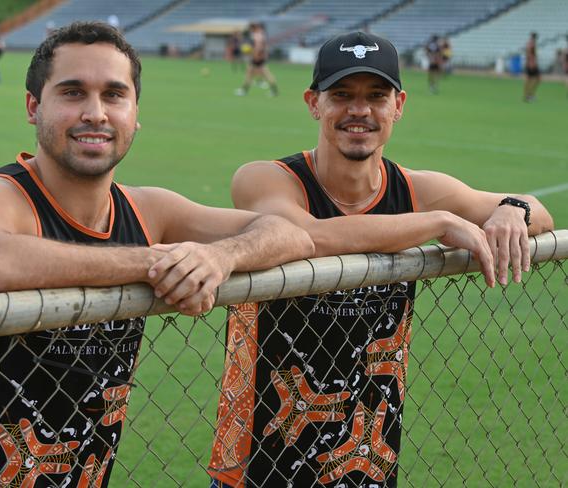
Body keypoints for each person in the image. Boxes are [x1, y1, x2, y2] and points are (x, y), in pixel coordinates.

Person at [0, 22, 315, 487]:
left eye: (114, 95)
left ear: (135, 111)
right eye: (72, 92)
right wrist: (156, 262)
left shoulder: (147, 209)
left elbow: (291, 235)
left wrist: (220, 257)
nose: (96, 113)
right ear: (33, 106)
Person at [208, 31, 553, 487]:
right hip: (262, 457)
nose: (360, 110)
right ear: (314, 103)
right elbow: (309, 237)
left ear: (399, 105)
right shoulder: (268, 180)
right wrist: (434, 224)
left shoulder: (414, 191)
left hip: (368, 455)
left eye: (376, 95)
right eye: (342, 95)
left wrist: (514, 208)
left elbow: (539, 213)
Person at [235, 22, 279, 97]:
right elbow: (264, 47)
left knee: (263, 74)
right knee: (252, 73)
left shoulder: (257, 36)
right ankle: (244, 90)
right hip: (260, 57)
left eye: (250, 29)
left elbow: (258, 48)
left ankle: (244, 90)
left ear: (252, 28)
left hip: (257, 58)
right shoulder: (261, 34)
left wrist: (254, 55)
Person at [523, 32, 540, 102]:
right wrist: (532, 63)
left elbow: (529, 54)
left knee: (530, 80)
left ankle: (528, 95)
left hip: (530, 63)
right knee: (534, 79)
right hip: (531, 64)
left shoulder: (530, 43)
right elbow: (529, 54)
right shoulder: (531, 44)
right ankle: (529, 95)